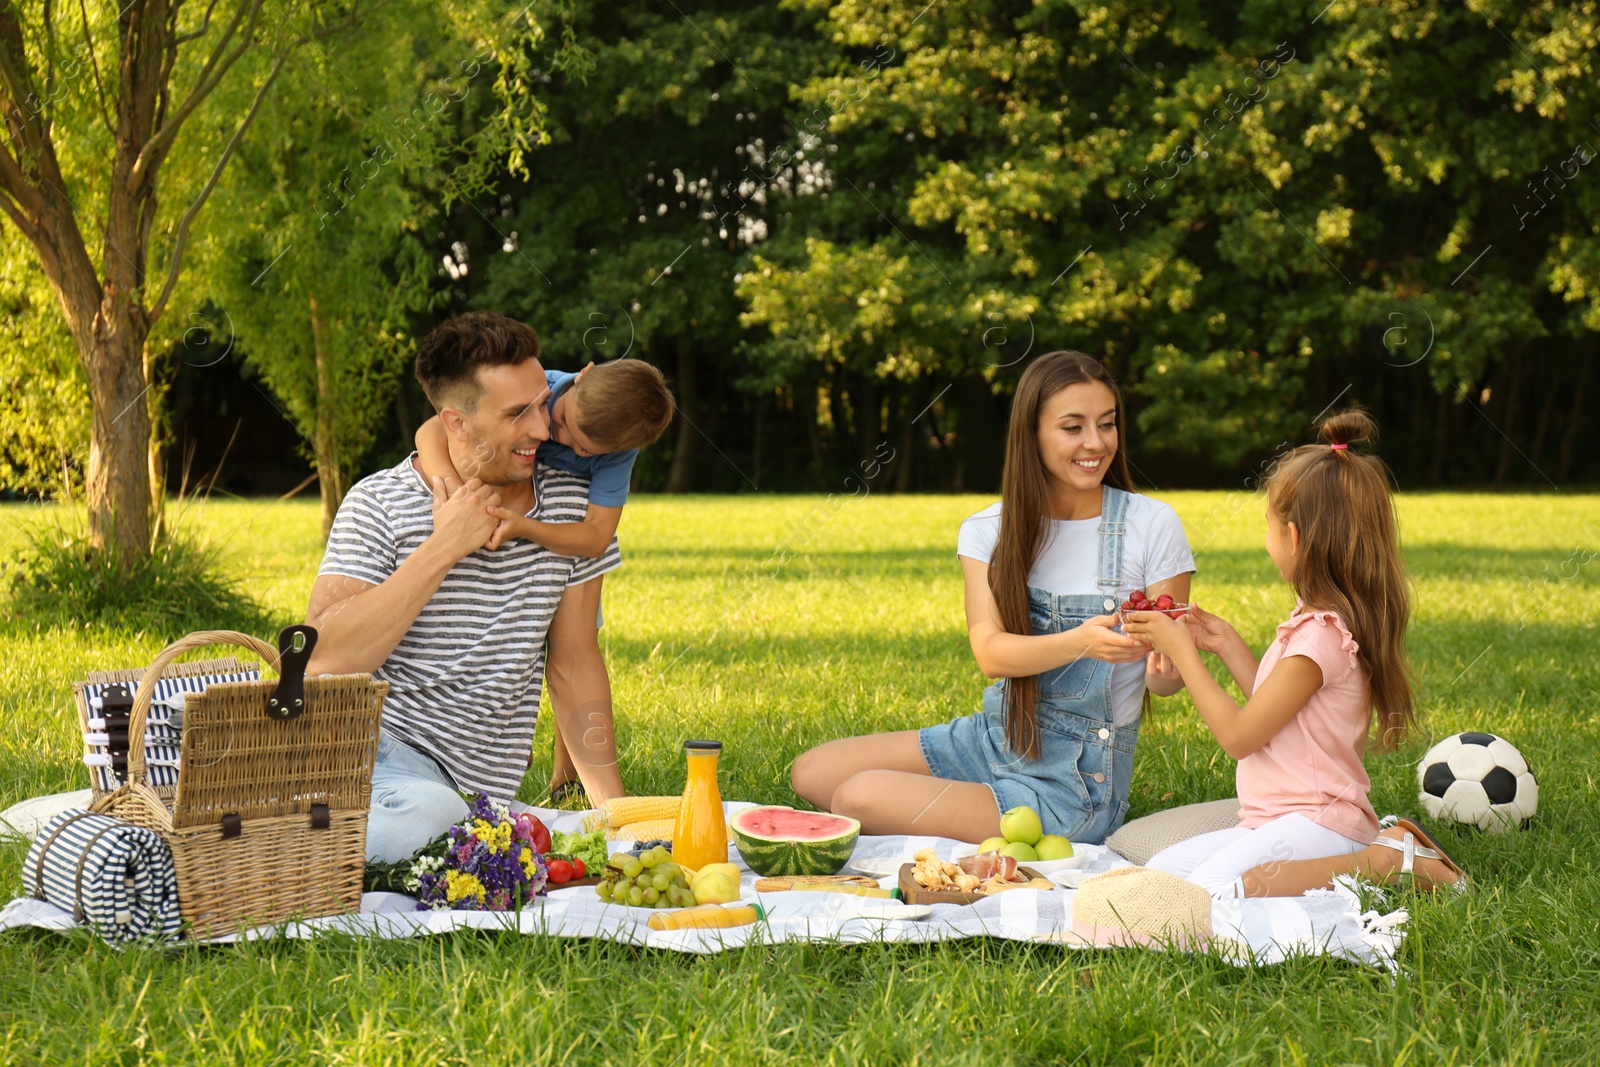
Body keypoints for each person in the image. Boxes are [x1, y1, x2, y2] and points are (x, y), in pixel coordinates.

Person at [790, 351, 1195, 843]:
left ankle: (950, 813)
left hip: (1075, 786)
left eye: (1107, 424)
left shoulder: (1152, 524)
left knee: (857, 797)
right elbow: (991, 652)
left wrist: (1168, 669)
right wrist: (1082, 641)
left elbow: (1166, 682)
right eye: (1073, 427)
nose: (1096, 443)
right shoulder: (988, 530)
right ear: (1032, 435)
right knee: (810, 773)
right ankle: (963, 808)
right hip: (994, 739)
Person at [304, 311, 626, 862]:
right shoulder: (379, 503)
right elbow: (322, 661)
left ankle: (268, 836)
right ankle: (235, 845)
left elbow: (574, 663)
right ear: (455, 422)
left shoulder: (570, 510)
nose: (544, 430)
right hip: (367, 761)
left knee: (449, 820)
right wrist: (444, 545)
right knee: (433, 818)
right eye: (517, 414)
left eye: (542, 405)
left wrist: (618, 817)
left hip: (475, 801)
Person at [1125, 409, 1466, 897]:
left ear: (1294, 537)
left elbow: (1241, 737)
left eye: (1268, 526)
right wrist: (1226, 644)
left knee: (1213, 898)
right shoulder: (1315, 621)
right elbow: (1276, 715)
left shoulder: (1321, 636)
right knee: (1158, 876)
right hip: (1277, 820)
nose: (1266, 541)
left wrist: (1185, 654)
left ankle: (1385, 860)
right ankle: (1373, 854)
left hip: (1316, 823)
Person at [413, 359, 674, 804]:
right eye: (565, 424)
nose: (560, 439)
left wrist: (523, 526)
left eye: (587, 452)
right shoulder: (537, 389)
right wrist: (459, 498)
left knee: (573, 645)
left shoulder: (616, 449)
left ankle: (570, 777)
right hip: (502, 511)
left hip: (561, 537)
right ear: (583, 374)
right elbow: (430, 433)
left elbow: (594, 536)